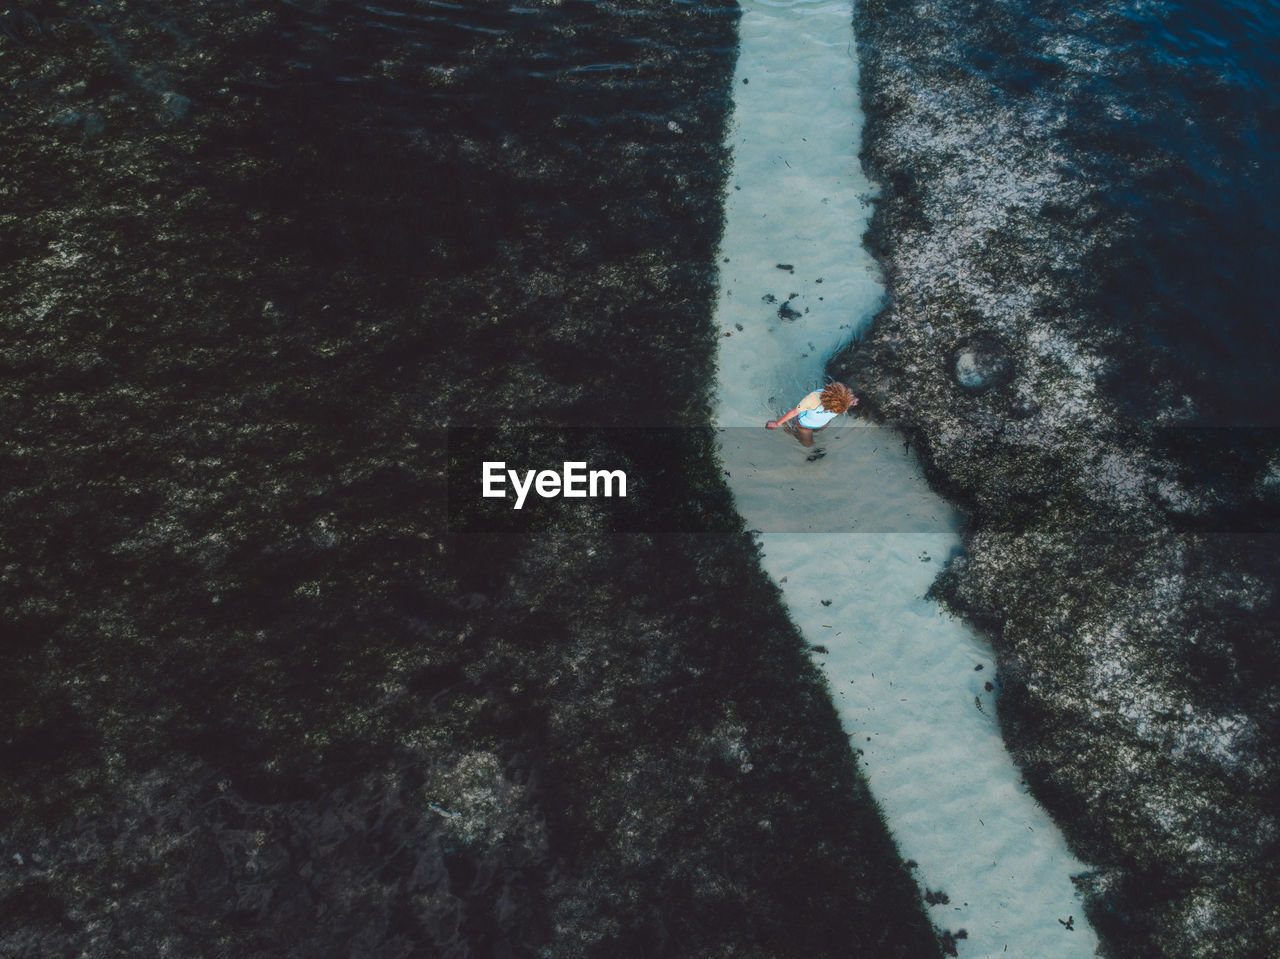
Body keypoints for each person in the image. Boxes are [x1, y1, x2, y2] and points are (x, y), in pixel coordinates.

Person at [765, 382, 857, 447]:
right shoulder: (812, 399)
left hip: (823, 422)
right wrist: (777, 423)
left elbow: (844, 400)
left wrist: (851, 402)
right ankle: (792, 430)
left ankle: (811, 430)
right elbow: (794, 412)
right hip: (805, 425)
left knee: (820, 430)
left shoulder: (844, 401)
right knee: (808, 444)